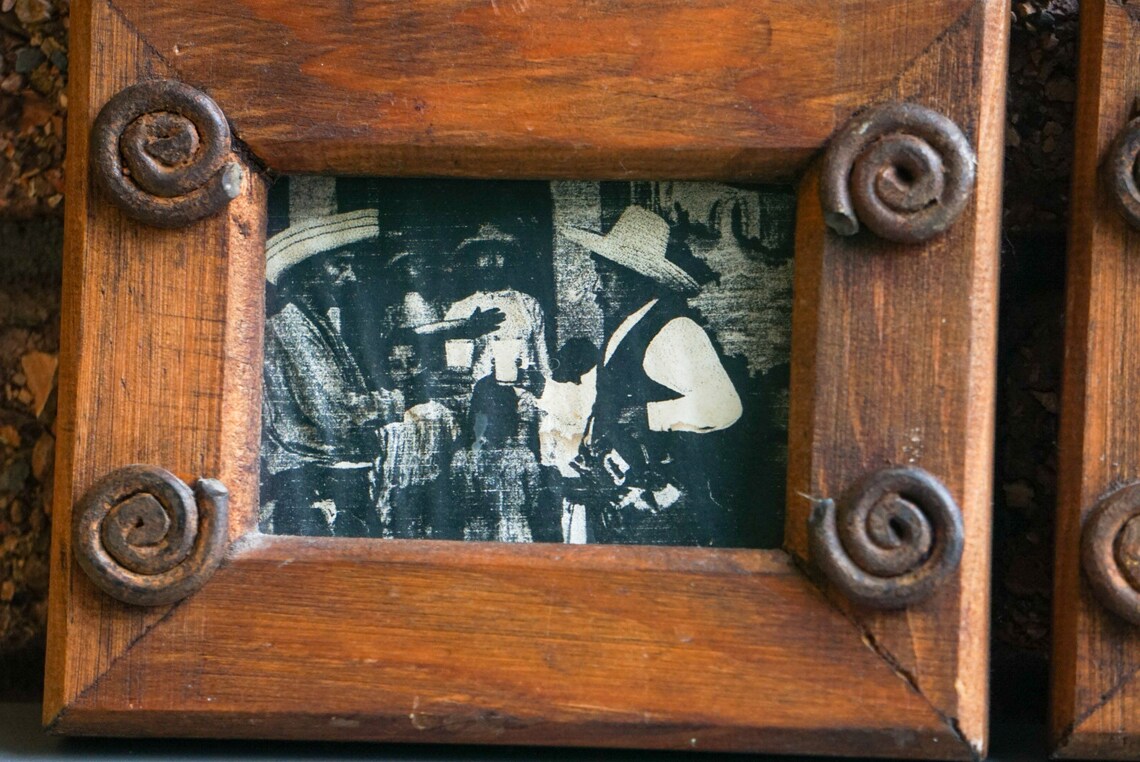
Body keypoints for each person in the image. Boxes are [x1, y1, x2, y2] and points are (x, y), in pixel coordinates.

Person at [562, 206, 743, 545]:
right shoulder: (627, 328)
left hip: (661, 513)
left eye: (605, 275)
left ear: (635, 277)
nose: (596, 289)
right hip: (625, 509)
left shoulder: (675, 330)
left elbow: (725, 405)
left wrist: (651, 415)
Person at [261, 252, 403, 537]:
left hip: (328, 467)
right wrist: (394, 402)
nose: (351, 276)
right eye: (340, 264)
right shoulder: (293, 326)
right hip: (315, 473)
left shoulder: (314, 321)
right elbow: (332, 412)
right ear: (306, 270)